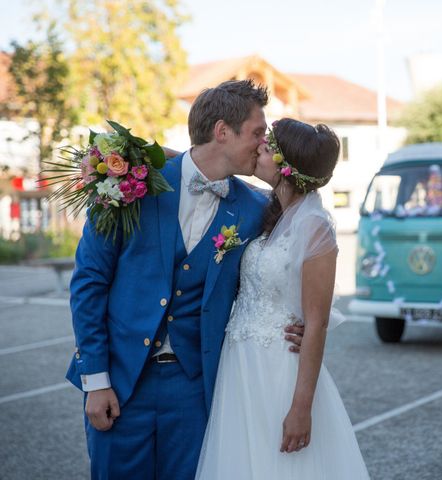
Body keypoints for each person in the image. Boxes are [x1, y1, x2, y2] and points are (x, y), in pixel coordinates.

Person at [66, 79, 304, 479]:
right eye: (258, 132)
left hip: (196, 389)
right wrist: (96, 380)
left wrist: (296, 321)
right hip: (121, 380)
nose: (265, 145)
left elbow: (277, 268)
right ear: (222, 132)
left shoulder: (254, 208)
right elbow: (89, 283)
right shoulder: (132, 186)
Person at [196, 118, 370, 479]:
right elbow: (202, 166)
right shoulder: (270, 211)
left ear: (288, 168)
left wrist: (302, 408)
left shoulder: (315, 226)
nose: (260, 147)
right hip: (239, 363)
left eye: (269, 145)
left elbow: (317, 321)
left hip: (278, 368)